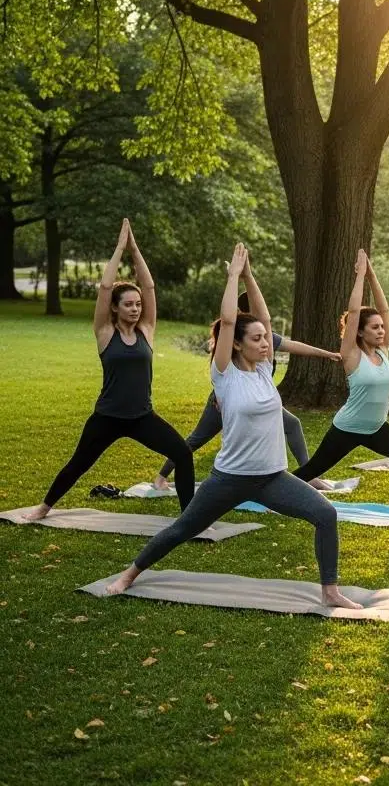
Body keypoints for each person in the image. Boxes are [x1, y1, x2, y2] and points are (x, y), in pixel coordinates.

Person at [105, 245, 359, 608]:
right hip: (229, 478)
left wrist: (250, 277)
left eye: (265, 340)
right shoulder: (224, 374)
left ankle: (330, 591)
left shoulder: (266, 371)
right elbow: (227, 321)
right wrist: (232, 279)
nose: (265, 344)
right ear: (237, 345)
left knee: (326, 514)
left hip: (273, 477)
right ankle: (129, 574)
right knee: (182, 529)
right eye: (255, 340)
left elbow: (265, 318)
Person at [23, 219, 195, 521]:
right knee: (79, 463)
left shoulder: (146, 331)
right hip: (108, 417)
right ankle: (44, 508)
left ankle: (189, 520)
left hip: (142, 416)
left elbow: (150, 287)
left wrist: (134, 248)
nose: (135, 308)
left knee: (182, 453)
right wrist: (119, 248)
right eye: (128, 304)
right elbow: (105, 287)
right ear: (115, 308)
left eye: (137, 304)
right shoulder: (105, 333)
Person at [290, 250, 389, 528]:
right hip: (347, 428)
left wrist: (372, 276)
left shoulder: (382, 352)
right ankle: (272, 494)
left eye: (382, 328)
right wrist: (359, 276)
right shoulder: (351, 355)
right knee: (312, 470)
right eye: (375, 328)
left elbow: (385, 310)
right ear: (359, 331)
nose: (381, 330)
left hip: (376, 428)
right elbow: (355, 311)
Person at [153, 284, 341, 491]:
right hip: (229, 402)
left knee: (293, 424)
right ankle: (162, 476)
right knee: (197, 439)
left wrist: (327, 354)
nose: (263, 341)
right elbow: (223, 370)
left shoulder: (261, 338)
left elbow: (292, 344)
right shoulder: (237, 338)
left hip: (258, 400)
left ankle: (308, 475)